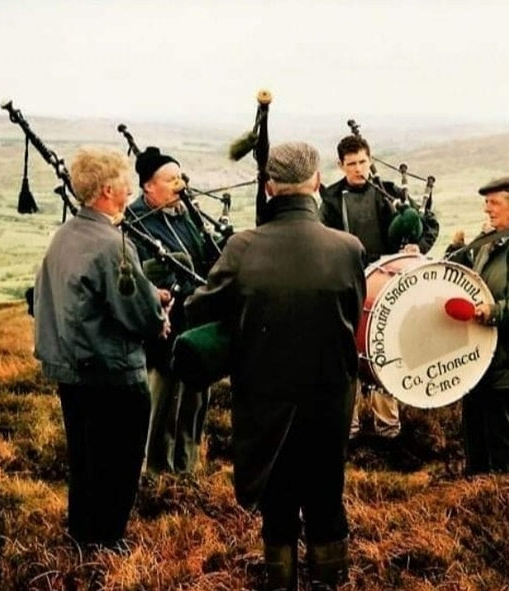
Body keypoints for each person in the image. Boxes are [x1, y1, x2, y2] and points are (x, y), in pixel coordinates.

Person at [186, 142, 365, 591]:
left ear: (268, 186)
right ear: (318, 182)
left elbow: (199, 311)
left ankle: (280, 580)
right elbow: (353, 312)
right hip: (330, 401)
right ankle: (332, 579)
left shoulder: (242, 246)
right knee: (327, 497)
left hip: (265, 404)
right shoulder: (348, 248)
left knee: (278, 502)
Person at [33, 147, 169, 549]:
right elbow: (141, 317)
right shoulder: (113, 244)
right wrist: (158, 312)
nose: (130, 190)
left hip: (71, 371)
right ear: (109, 190)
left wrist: (146, 296)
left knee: (85, 459)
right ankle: (108, 541)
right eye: (126, 183)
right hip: (112, 373)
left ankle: (83, 535)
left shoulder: (65, 234)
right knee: (119, 462)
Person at [320, 134, 439, 440]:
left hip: (389, 285)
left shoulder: (390, 193)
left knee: (384, 350)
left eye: (362, 161)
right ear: (340, 165)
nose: (358, 169)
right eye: (351, 164)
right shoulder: (332, 199)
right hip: (350, 284)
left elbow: (427, 224)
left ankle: (387, 432)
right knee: (346, 354)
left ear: (370, 159)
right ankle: (349, 430)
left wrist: (416, 246)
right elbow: (325, 240)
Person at [124, 147, 218, 475]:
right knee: (162, 403)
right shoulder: (134, 222)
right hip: (163, 331)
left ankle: (188, 468)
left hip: (195, 326)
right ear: (148, 186)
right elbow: (137, 276)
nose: (179, 185)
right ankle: (155, 473)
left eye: (180, 177)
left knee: (195, 399)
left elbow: (207, 257)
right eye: (170, 179)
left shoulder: (187, 214)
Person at [447, 176, 509, 475]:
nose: (487, 210)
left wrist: (493, 313)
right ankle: (475, 490)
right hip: (478, 354)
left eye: (494, 203)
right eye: (485, 203)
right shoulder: (489, 244)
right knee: (474, 425)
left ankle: (506, 494)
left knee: (501, 428)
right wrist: (457, 247)